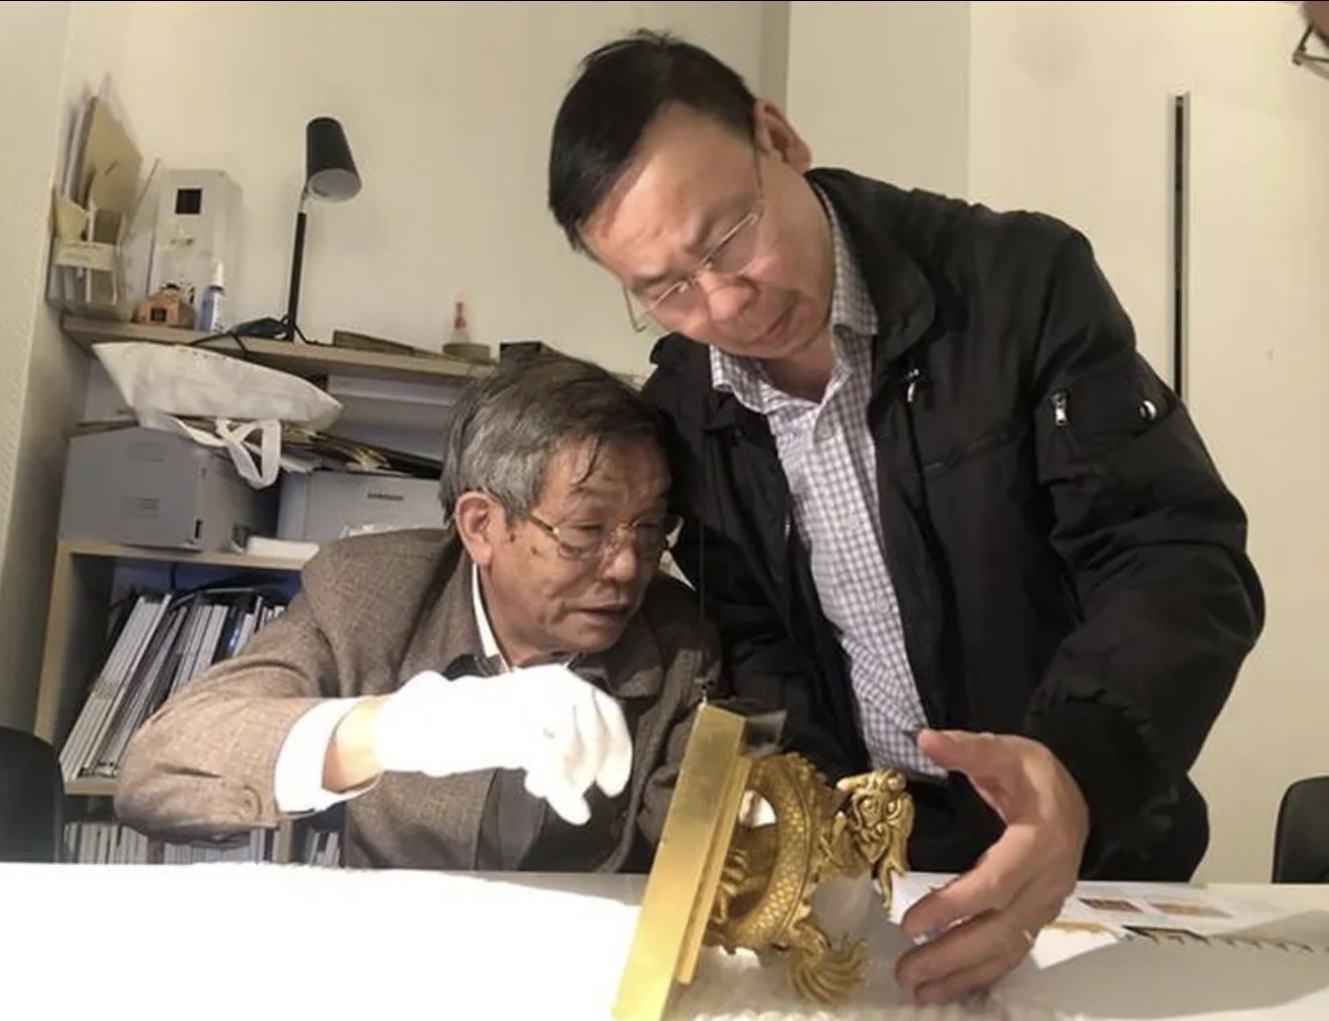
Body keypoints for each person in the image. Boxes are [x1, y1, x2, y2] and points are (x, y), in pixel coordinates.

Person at [547, 30, 1264, 1003]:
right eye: (666, 289)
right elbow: (753, 628)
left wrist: (1080, 768)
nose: (726, 302)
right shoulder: (689, 402)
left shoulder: (1013, 284)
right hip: (881, 867)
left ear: (778, 138)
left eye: (729, 238)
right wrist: (819, 818)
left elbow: (1170, 552)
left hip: (1096, 839)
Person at [116, 352, 713, 874]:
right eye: (586, 529)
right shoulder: (367, 594)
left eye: (649, 527)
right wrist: (395, 729)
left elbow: (692, 859)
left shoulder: (678, 640)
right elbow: (160, 765)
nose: (628, 566)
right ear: (481, 526)